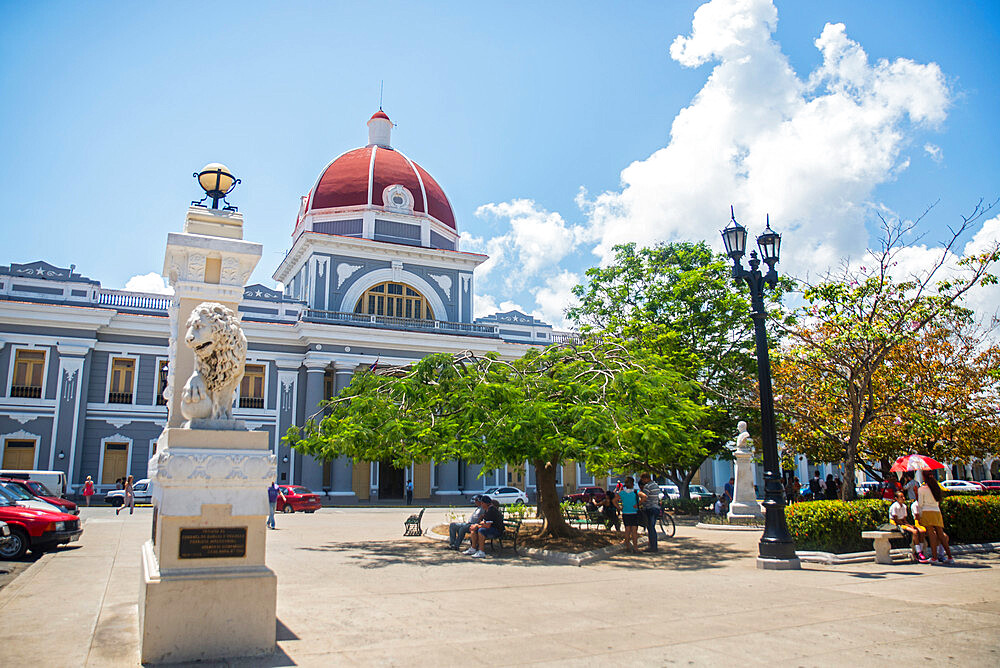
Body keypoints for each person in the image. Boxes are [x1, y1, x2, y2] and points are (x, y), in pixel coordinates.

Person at [917, 471, 954, 564]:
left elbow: (920, 504)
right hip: (936, 511)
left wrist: (916, 493)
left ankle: (934, 557)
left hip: (927, 511)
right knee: (940, 534)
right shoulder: (936, 486)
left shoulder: (922, 489)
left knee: (931, 535)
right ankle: (950, 556)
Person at [890, 490, 927, 563]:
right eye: (901, 497)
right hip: (896, 524)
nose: (903, 498)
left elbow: (904, 519)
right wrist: (907, 526)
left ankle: (921, 550)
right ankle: (917, 552)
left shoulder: (904, 506)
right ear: (896, 498)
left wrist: (909, 525)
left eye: (903, 496)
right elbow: (896, 520)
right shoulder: (894, 506)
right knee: (915, 532)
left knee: (921, 531)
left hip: (902, 523)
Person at [615, 476, 645, 553]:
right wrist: (638, 504)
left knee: (627, 530)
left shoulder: (622, 493)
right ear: (632, 484)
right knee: (634, 531)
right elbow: (644, 497)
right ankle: (635, 548)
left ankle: (628, 547)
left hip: (625, 513)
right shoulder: (636, 492)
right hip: (634, 512)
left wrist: (619, 508)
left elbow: (614, 500)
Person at [638, 473, 661, 553]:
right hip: (656, 508)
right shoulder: (655, 485)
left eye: (643, 479)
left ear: (645, 478)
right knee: (652, 527)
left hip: (649, 508)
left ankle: (653, 547)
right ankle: (653, 545)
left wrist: (638, 504)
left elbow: (644, 497)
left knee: (650, 528)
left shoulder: (647, 487)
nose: (642, 481)